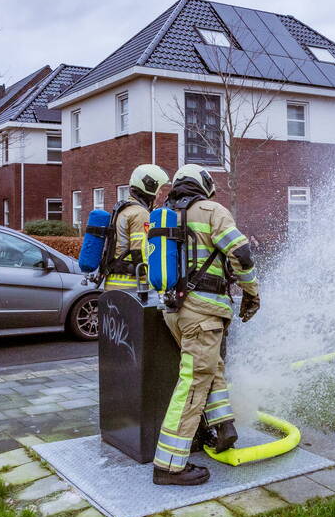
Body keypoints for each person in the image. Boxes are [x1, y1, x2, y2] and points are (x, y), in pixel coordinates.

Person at [152, 164, 260, 486]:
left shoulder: (165, 214)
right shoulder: (212, 210)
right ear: (206, 185)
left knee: (212, 369)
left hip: (174, 310)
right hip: (203, 312)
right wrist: (252, 294)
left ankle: (224, 426)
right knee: (194, 382)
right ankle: (169, 466)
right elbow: (242, 253)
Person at [102, 164, 170, 291]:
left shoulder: (124, 209)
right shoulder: (140, 213)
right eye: (159, 188)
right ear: (150, 187)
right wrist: (156, 282)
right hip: (131, 286)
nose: (160, 193)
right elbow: (141, 252)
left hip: (114, 283)